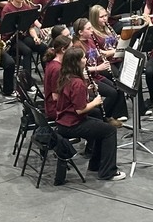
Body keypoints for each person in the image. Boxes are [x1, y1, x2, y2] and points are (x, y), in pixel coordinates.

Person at [53, 47, 126, 182]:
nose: (85, 60)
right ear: (76, 62)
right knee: (109, 130)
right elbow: (80, 110)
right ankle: (108, 172)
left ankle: (95, 164)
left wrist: (86, 91)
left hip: (64, 121)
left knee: (101, 126)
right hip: (72, 124)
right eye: (83, 58)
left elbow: (72, 99)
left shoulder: (66, 77)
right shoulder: (77, 82)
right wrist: (96, 101)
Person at [42, 35, 72, 120]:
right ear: (63, 50)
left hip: (54, 105)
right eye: (71, 48)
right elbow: (55, 96)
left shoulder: (53, 62)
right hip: (56, 109)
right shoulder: (57, 69)